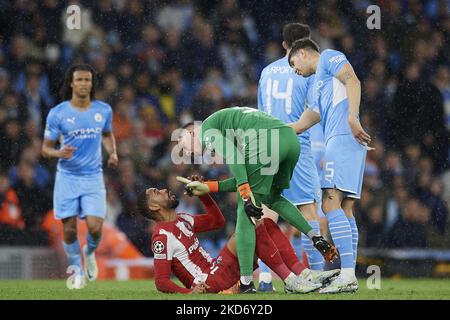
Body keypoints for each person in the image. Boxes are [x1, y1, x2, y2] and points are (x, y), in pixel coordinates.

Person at [177, 107, 337, 293]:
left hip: (265, 143)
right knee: (273, 198)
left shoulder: (206, 131)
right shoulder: (224, 123)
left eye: (183, 146)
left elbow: (235, 159)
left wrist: (245, 194)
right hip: (289, 140)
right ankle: (315, 237)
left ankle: (245, 283)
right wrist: (210, 187)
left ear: (190, 132)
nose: (188, 154)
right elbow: (243, 173)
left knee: (244, 209)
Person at [140, 183, 340, 294]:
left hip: (217, 268)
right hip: (209, 281)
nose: (164, 190)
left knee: (266, 224)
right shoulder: (161, 236)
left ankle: (302, 273)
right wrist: (190, 294)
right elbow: (161, 281)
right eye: (156, 192)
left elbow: (217, 221)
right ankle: (290, 280)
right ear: (154, 207)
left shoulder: (183, 219)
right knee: (254, 225)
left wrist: (204, 194)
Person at [288, 38, 371, 293]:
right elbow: (302, 124)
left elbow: (353, 80)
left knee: (329, 202)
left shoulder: (329, 57)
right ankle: (349, 274)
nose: (294, 69)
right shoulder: (316, 87)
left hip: (344, 137)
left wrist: (353, 117)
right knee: (345, 208)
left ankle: (346, 275)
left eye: (293, 63)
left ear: (303, 53)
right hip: (346, 140)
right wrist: (268, 131)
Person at [257, 22, 324, 291]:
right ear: (304, 45)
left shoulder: (266, 71)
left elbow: (261, 113)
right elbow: (315, 112)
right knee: (308, 212)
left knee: (266, 213)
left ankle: (264, 278)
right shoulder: (309, 71)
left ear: (284, 43)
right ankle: (317, 276)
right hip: (297, 145)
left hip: (267, 145)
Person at [41, 64, 118, 289]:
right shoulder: (58, 113)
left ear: (92, 84)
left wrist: (112, 152)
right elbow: (45, 149)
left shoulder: (103, 110)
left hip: (93, 177)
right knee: (69, 229)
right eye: (80, 80)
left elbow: (107, 134)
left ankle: (89, 251)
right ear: (72, 84)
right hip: (67, 178)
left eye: (87, 80)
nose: (84, 83)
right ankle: (76, 270)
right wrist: (58, 152)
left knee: (95, 227)